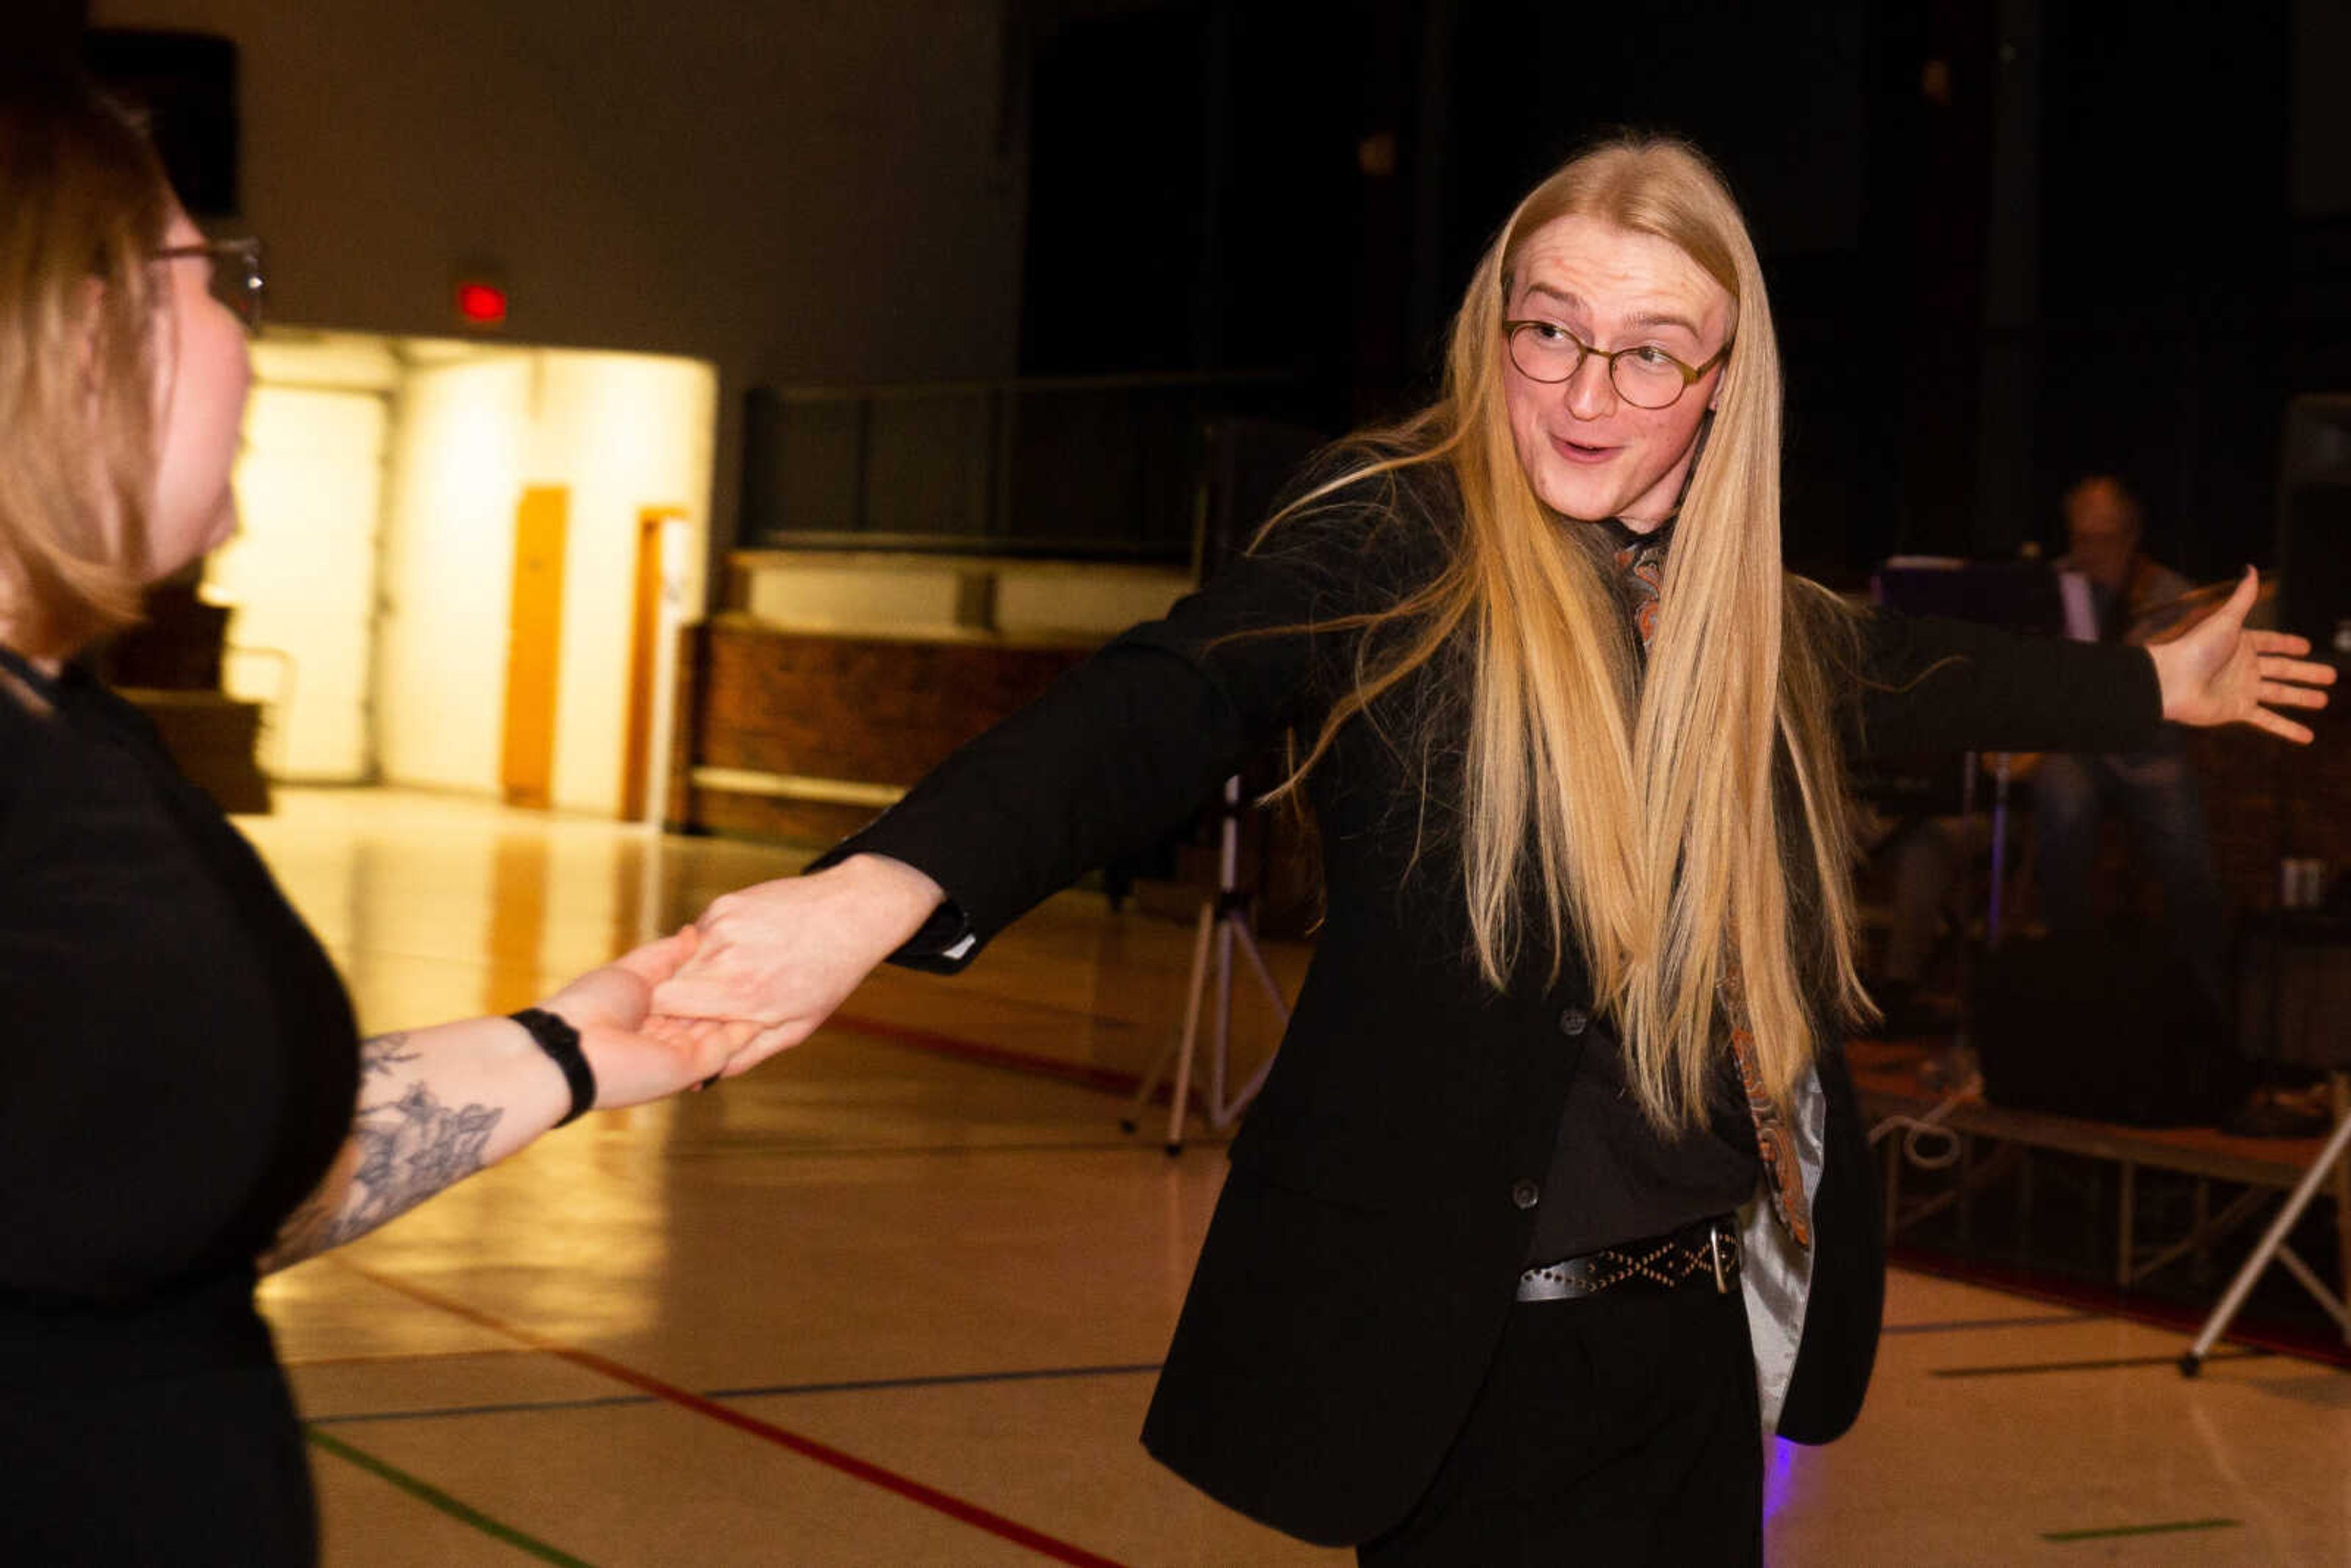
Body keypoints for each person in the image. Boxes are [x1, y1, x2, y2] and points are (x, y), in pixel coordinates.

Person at [651, 137, 2332, 1562]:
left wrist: (2144, 684)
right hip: (1473, 1358)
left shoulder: (1740, 614)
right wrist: (879, 890)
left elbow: (1907, 670)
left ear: (1724, 380)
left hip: (1689, 1344)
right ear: (1498, 329)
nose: (1593, 392)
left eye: (1653, 350)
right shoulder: (1394, 535)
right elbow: (1156, 702)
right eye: (1554, 332)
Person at [0, 72, 737, 1567]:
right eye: (217, 281)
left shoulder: (73, 729)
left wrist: (561, 1051)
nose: (248, 348)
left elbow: (147, 1179)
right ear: (82, 331)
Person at [2034, 475, 2229, 987]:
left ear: (2131, 536)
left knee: (2188, 860)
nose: (2088, 553)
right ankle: (2065, 966)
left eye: (2103, 541)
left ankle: (2207, 998)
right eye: (2079, 539)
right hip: (2075, 749)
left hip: (2149, 752)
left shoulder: (2174, 595)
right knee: (2060, 796)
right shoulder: (2053, 586)